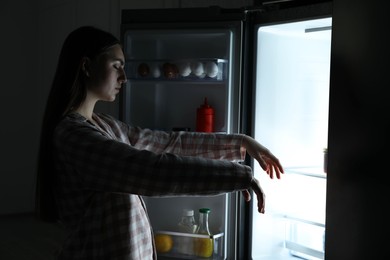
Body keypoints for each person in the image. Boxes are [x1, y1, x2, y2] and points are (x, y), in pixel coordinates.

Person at [35, 26, 284, 260]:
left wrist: (242, 143)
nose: (124, 77)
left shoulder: (105, 125)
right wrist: (235, 176)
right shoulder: (73, 136)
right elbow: (150, 169)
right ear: (87, 67)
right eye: (116, 66)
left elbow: (169, 143)